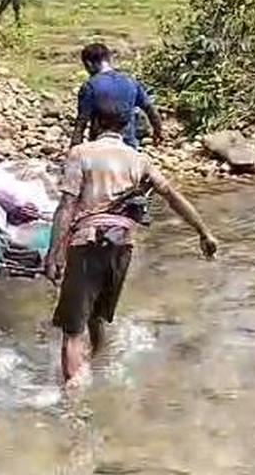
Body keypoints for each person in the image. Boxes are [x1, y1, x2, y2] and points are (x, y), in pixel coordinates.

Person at [45, 100, 218, 384]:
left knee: (72, 329)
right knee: (97, 318)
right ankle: (94, 371)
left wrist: (53, 255)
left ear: (95, 124)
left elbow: (66, 205)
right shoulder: (138, 159)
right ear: (125, 127)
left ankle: (72, 401)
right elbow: (171, 196)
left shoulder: (80, 153)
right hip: (122, 247)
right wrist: (204, 232)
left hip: (87, 244)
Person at [71, 42, 164, 224]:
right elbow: (150, 109)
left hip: (99, 148)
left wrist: (73, 154)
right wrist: (158, 132)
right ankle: (138, 209)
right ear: (109, 59)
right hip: (127, 146)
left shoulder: (90, 87)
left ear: (89, 64)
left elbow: (81, 123)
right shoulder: (130, 82)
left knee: (100, 193)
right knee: (131, 186)